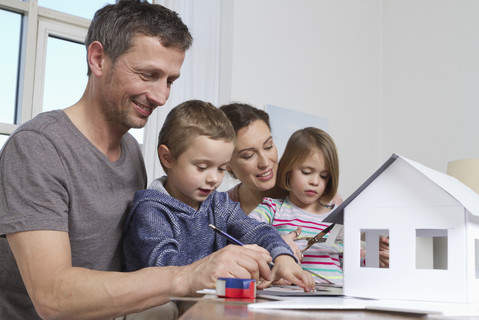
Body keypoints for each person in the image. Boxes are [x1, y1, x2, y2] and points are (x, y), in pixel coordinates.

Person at [0, 2, 282, 319]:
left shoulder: (130, 151)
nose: (161, 96)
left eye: (170, 81)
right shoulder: (37, 148)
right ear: (98, 59)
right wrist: (188, 275)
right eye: (148, 75)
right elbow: (52, 297)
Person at [123, 100, 315, 292]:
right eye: (202, 167)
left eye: (222, 168)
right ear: (168, 158)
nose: (214, 178)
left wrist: (283, 257)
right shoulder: (150, 210)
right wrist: (225, 260)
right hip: (160, 300)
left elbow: (258, 231)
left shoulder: (219, 204)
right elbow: (163, 269)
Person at [248, 127, 344, 285]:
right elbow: (245, 232)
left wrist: (375, 257)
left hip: (336, 295)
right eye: (307, 172)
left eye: (324, 176)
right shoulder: (273, 208)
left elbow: (350, 262)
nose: (315, 181)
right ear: (288, 171)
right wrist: (278, 243)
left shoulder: (337, 217)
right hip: (291, 293)